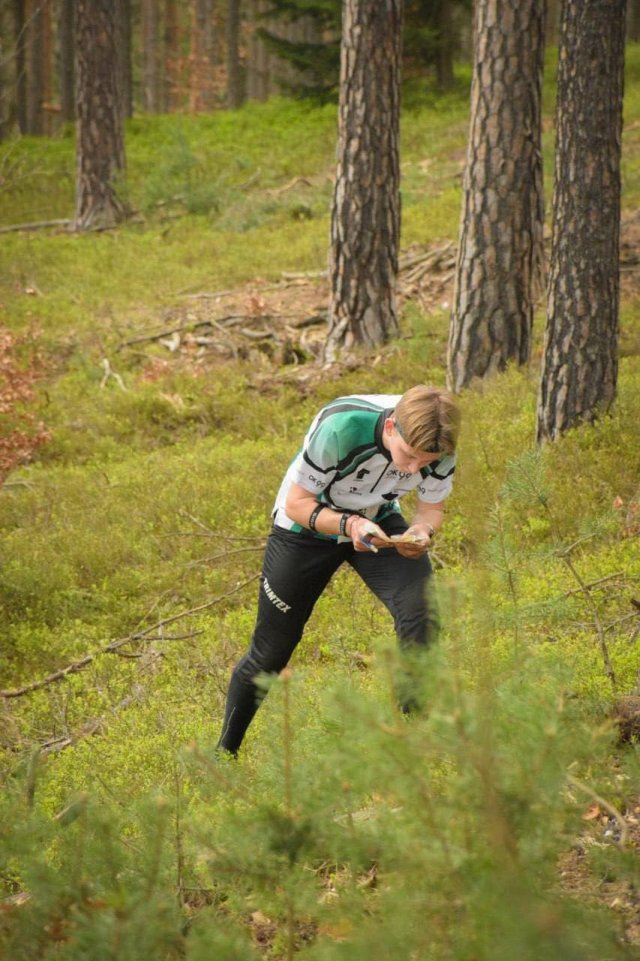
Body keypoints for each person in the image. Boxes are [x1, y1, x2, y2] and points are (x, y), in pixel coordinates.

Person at [217, 385, 461, 756]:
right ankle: (224, 754)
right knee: (271, 652)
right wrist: (349, 526)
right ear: (392, 427)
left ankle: (415, 744)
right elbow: (297, 504)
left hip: (378, 519)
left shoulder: (439, 443)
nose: (413, 469)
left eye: (424, 463)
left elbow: (431, 509)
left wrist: (421, 532)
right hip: (305, 527)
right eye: (408, 456)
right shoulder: (342, 426)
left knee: (422, 613)